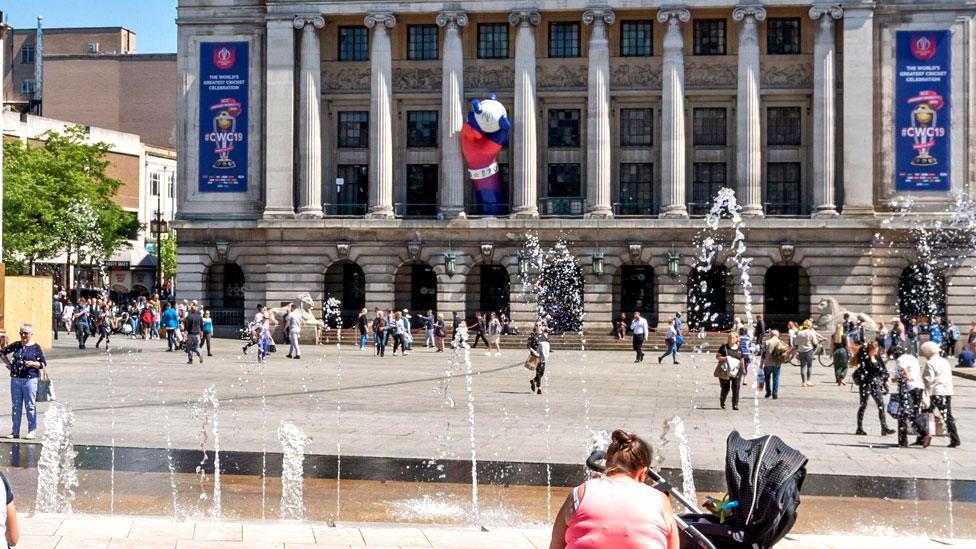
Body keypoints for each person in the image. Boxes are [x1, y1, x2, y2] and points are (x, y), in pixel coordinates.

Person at [550, 429, 679, 549]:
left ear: (606, 467)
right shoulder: (660, 501)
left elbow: (555, 546)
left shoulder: (580, 493)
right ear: (642, 473)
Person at [0, 324, 47, 440]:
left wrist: (32, 364)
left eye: (26, 333)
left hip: (30, 380)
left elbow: (43, 364)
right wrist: (9, 365)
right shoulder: (16, 345)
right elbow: (1, 352)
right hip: (15, 379)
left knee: (30, 406)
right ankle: (15, 431)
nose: (23, 335)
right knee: (16, 406)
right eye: (21, 333)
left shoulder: (36, 347)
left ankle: (32, 431)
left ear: (31, 334)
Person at [921, 341, 960, 448]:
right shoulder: (945, 361)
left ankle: (925, 438)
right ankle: (955, 438)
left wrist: (923, 383)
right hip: (947, 391)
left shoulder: (930, 363)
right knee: (947, 416)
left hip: (936, 392)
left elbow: (929, 380)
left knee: (928, 415)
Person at [852, 341, 894, 437]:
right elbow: (865, 370)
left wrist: (885, 380)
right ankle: (859, 428)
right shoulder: (864, 359)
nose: (876, 351)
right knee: (863, 405)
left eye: (877, 350)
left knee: (881, 405)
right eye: (874, 350)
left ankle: (884, 427)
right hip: (866, 384)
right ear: (870, 350)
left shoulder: (877, 357)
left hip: (876, 384)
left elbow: (883, 369)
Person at [890, 346, 924, 448]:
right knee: (914, 413)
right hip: (918, 387)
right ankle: (923, 436)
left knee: (903, 415)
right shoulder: (912, 358)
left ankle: (903, 441)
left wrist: (895, 379)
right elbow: (918, 373)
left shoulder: (900, 360)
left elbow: (906, 376)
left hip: (909, 388)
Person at [714, 333, 743, 410]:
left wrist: (743, 370)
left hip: (736, 370)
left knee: (736, 387)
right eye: (730, 338)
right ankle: (722, 401)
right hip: (725, 370)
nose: (731, 339)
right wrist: (725, 358)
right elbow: (717, 357)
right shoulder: (724, 347)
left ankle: (735, 405)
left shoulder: (739, 348)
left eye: (733, 338)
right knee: (725, 388)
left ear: (736, 339)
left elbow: (741, 359)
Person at [795, 320, 823, 387]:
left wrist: (798, 351)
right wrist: (814, 350)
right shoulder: (811, 332)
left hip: (801, 351)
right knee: (809, 366)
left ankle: (803, 382)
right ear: (810, 325)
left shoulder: (799, 333)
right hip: (809, 351)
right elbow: (815, 343)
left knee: (802, 366)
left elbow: (796, 344)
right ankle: (808, 381)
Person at [762, 330, 789, 399]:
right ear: (777, 335)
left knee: (767, 378)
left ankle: (768, 392)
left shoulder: (767, 342)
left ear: (771, 335)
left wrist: (761, 364)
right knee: (776, 378)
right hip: (777, 363)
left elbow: (763, 354)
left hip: (768, 363)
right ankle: (775, 393)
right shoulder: (780, 342)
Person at [527, 320, 549, 395]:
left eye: (539, 325)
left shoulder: (544, 335)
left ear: (542, 326)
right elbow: (528, 345)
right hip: (535, 356)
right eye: (536, 325)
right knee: (538, 371)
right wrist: (533, 351)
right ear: (534, 326)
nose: (538, 327)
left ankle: (533, 381)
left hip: (543, 357)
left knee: (542, 372)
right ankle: (539, 388)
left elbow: (547, 344)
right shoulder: (532, 335)